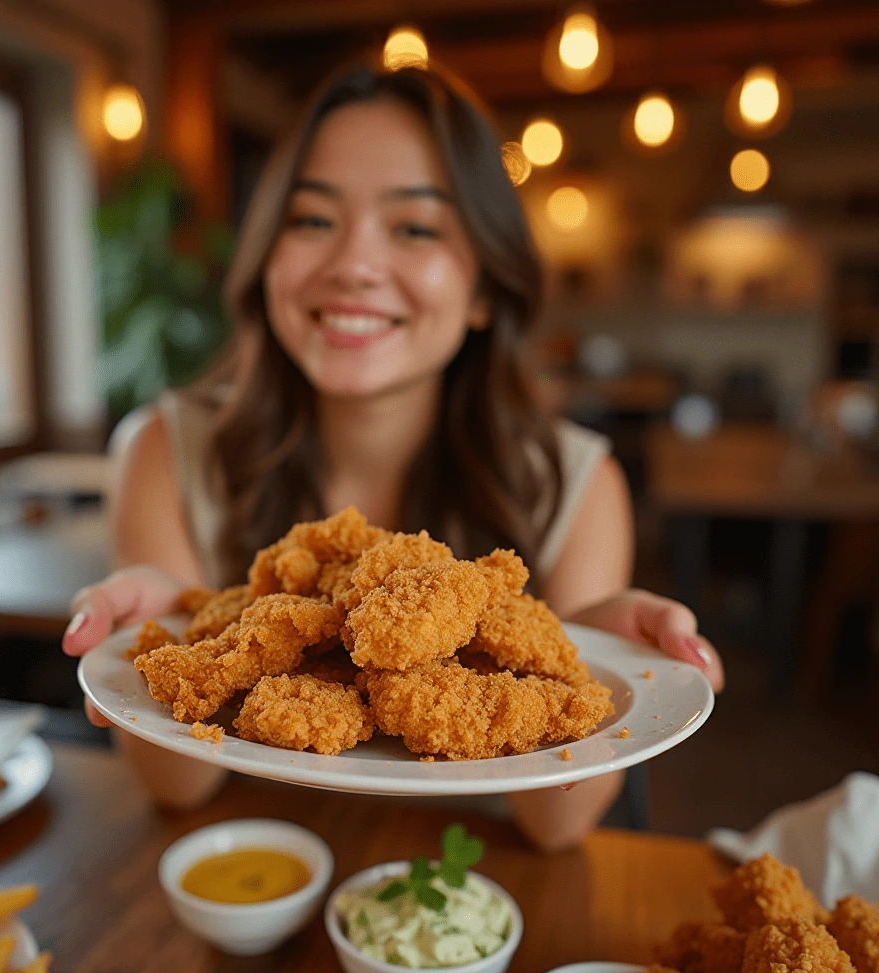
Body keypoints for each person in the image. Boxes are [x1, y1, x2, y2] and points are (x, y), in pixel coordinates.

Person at [63, 59, 723, 852]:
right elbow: (179, 787)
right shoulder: (165, 450)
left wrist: (583, 661)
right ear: (268, 258)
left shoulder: (577, 482)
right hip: (256, 868)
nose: (352, 264)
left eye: (414, 228)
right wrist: (164, 646)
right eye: (312, 220)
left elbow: (558, 827)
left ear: (484, 288)